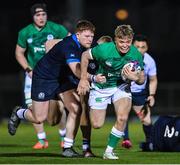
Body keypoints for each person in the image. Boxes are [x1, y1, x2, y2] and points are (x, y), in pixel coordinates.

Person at [8, 19, 98, 157]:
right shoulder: (70, 45)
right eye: (87, 36)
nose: (90, 39)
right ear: (77, 35)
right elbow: (76, 70)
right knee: (39, 118)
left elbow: (50, 44)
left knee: (76, 109)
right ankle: (19, 112)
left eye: (92, 36)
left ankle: (67, 147)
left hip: (61, 79)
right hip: (44, 77)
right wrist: (91, 78)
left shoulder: (83, 45)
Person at [77, 25, 145, 159]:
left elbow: (142, 79)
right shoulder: (104, 49)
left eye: (128, 41)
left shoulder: (135, 53)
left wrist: (135, 77)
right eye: (121, 42)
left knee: (122, 118)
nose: (125, 45)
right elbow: (85, 56)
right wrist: (84, 79)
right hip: (101, 88)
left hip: (121, 87)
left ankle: (109, 151)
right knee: (97, 124)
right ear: (115, 40)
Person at [14, 3, 70, 149]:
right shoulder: (25, 32)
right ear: (33, 17)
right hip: (32, 75)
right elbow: (19, 53)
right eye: (37, 15)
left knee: (59, 107)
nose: (41, 17)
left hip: (53, 75)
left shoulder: (56, 29)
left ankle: (64, 137)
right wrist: (28, 69)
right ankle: (42, 139)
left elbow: (71, 42)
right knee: (34, 110)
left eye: (43, 14)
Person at [121, 34, 158, 149]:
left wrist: (151, 95)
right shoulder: (124, 57)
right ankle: (126, 140)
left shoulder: (150, 61)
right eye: (137, 46)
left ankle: (151, 142)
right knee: (123, 116)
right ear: (132, 46)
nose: (140, 49)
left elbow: (153, 80)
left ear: (147, 48)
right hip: (124, 91)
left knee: (146, 120)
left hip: (139, 93)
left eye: (143, 47)